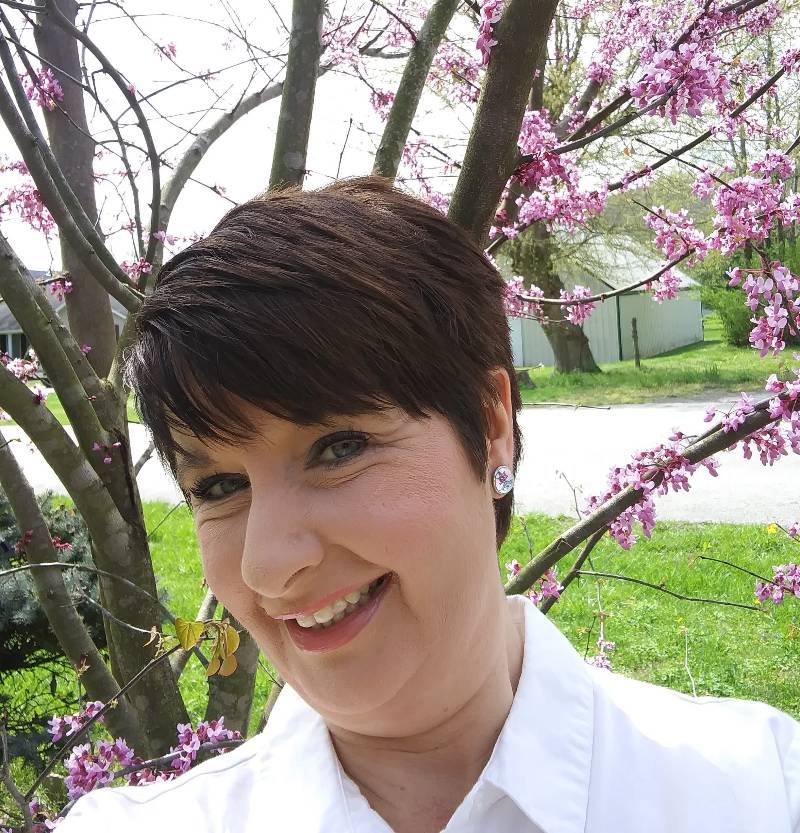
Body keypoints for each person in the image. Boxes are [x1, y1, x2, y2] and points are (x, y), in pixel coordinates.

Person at [60, 177, 800, 833]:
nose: (268, 564)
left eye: (338, 447)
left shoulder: (761, 789)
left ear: (491, 425)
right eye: (220, 486)